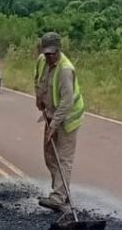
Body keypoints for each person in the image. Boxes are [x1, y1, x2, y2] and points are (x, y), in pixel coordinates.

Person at [34, 32, 85, 211]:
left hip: (68, 119)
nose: (49, 57)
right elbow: (38, 80)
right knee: (49, 156)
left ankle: (58, 197)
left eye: (52, 53)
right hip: (51, 114)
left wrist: (54, 125)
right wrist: (38, 97)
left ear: (59, 50)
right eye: (46, 53)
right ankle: (63, 191)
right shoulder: (42, 61)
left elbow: (67, 102)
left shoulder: (65, 70)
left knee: (63, 158)